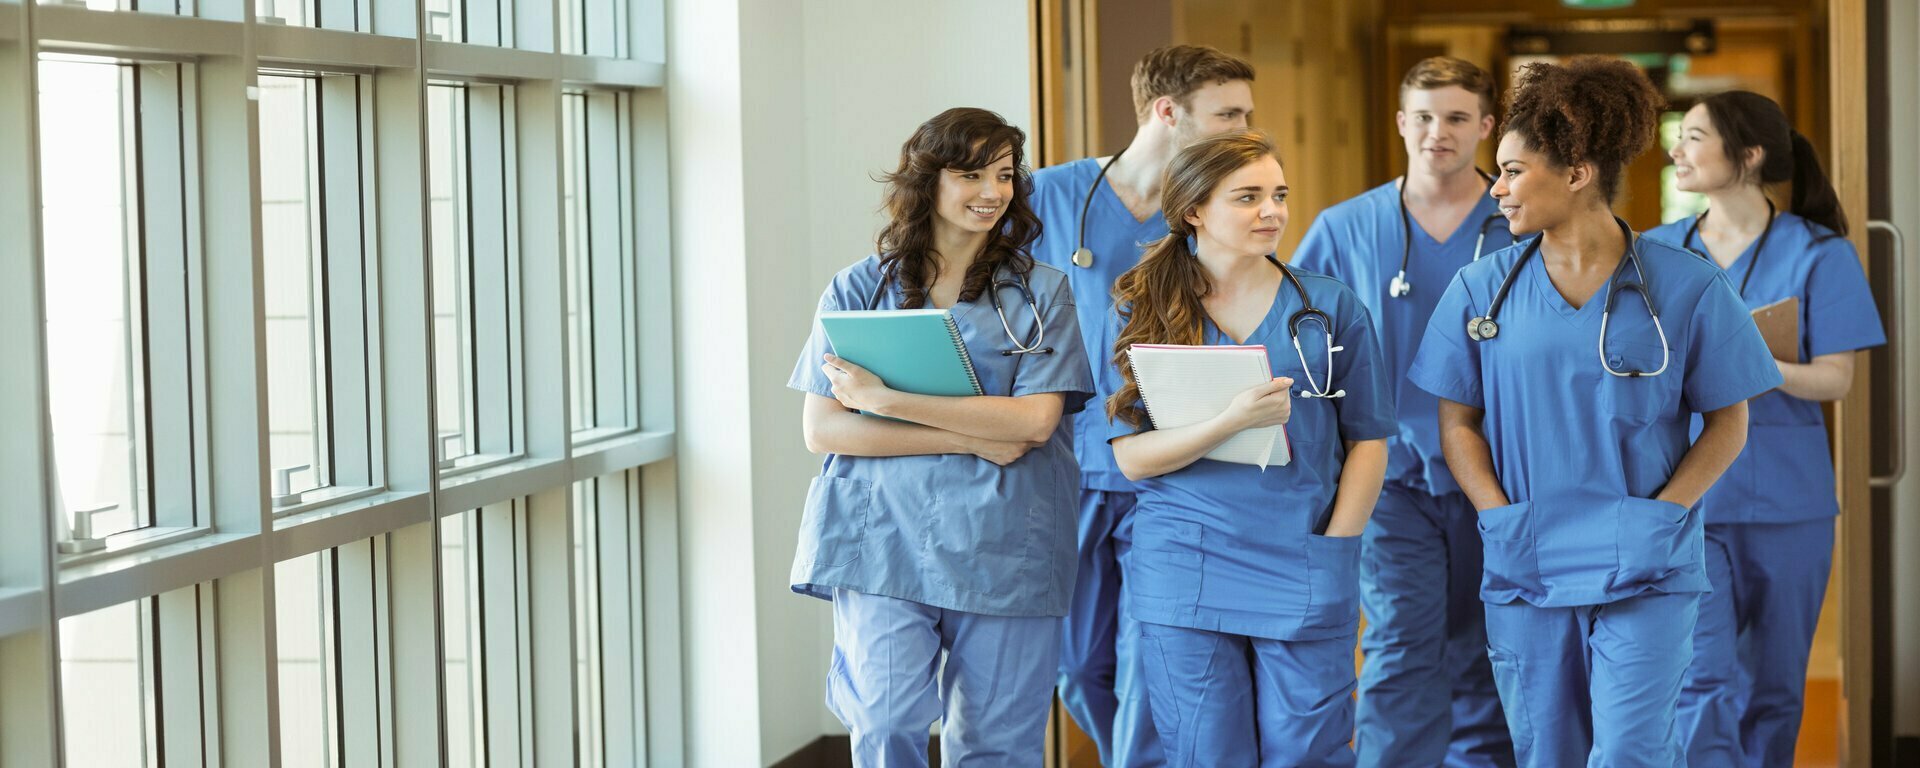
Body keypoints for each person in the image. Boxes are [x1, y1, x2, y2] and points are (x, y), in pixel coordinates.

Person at [1406, 58, 1783, 767]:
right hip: (1529, 555)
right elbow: (1456, 423)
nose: (1499, 189)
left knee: (1635, 750)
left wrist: (1665, 514)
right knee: (1548, 750)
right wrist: (1496, 516)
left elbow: (1729, 421)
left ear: (1577, 173)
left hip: (1646, 560)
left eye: (1514, 171)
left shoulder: (1688, 285)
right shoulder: (1480, 289)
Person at [788, 107, 1093, 767]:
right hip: (883, 539)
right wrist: (972, 435)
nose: (993, 191)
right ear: (928, 180)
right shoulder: (859, 287)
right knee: (885, 719)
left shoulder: (1042, 293)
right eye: (971, 173)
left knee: (997, 745)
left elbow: (1034, 422)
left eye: (1005, 175)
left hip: (1009, 542)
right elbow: (824, 428)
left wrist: (886, 401)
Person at [1102, 129, 1395, 767]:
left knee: (1308, 754)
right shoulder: (1141, 310)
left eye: (1279, 194)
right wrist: (1227, 423)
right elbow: (1126, 456)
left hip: (1304, 553)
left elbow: (1370, 440)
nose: (1272, 211)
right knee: (1206, 754)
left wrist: (1339, 545)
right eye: (1248, 197)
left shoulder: (1330, 307)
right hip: (1186, 558)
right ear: (1194, 211)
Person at [1028, 43, 1255, 767]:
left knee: (1151, 659)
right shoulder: (1046, 197)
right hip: (1063, 468)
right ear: (1167, 112)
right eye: (1230, 114)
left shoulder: (1208, 211)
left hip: (1168, 468)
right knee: (1077, 665)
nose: (1245, 129)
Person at [1290, 56, 1516, 768]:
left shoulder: (1520, 221)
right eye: (1422, 116)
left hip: (1503, 473)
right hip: (1392, 476)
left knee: (1494, 647)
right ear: (1399, 122)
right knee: (1401, 646)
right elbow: (1298, 336)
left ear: (1486, 126)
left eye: (1455, 118)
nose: (1436, 133)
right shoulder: (1346, 227)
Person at [1647, 90, 1885, 768]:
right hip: (1689, 496)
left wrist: (1748, 359)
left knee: (1775, 688)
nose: (1676, 151)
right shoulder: (1658, 252)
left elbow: (1836, 379)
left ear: (1748, 155)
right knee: (1700, 678)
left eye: (1693, 137)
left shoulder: (1819, 253)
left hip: (1790, 504)